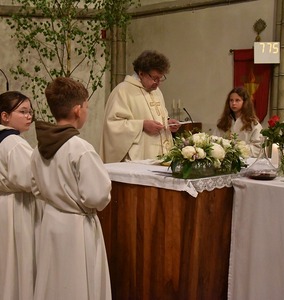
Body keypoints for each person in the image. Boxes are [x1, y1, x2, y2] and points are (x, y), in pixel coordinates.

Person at [31, 77, 112, 300]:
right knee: (77, 285)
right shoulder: (80, 149)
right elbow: (98, 196)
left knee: (54, 283)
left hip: (51, 221)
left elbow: (36, 188)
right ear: (77, 110)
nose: (86, 111)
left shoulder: (38, 148)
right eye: (87, 106)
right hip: (77, 227)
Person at [100, 50, 180, 163]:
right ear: (141, 73)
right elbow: (113, 125)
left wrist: (168, 123)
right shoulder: (123, 91)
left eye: (161, 78)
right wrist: (142, 125)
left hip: (160, 155)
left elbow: (157, 116)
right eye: (155, 78)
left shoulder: (157, 92)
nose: (158, 83)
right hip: (139, 157)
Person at [0, 91, 41, 300]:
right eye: (23, 112)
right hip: (17, 207)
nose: (29, 116)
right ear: (5, 116)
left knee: (6, 262)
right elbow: (29, 179)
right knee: (18, 262)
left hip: (5, 205)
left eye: (30, 112)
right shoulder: (13, 143)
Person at [214, 87, 262, 157]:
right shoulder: (223, 122)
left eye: (237, 100)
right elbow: (215, 140)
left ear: (245, 102)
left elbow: (258, 148)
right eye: (231, 100)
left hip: (246, 162)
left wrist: (239, 149)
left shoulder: (253, 124)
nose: (233, 103)